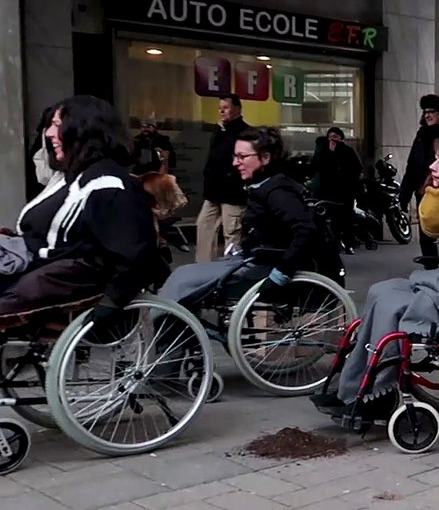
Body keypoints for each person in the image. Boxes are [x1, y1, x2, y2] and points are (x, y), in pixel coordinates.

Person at [314, 135, 439, 413]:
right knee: (379, 292)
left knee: (391, 306)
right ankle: (352, 388)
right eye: (434, 159)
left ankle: (378, 393)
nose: (432, 166)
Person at [0, 95, 159, 337]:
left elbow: (133, 253)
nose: (49, 134)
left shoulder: (108, 184)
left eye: (56, 124)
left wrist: (113, 301)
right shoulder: (72, 176)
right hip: (34, 266)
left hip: (59, 280)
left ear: (83, 130)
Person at [159, 127, 319, 310]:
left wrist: (281, 274)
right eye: (235, 156)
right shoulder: (267, 186)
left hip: (263, 268)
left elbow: (305, 230)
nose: (235, 162)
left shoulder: (278, 193)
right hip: (254, 260)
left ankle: (168, 335)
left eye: (242, 157)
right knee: (184, 276)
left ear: (265, 158)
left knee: (183, 280)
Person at [196, 94, 250, 262]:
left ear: (237, 109)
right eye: (220, 108)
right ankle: (203, 267)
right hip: (213, 190)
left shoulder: (244, 132)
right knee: (204, 225)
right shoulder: (219, 130)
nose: (221, 111)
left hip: (232, 192)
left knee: (231, 231)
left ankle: (231, 267)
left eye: (226, 108)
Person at [402, 94, 439, 263]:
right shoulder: (421, 135)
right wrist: (404, 195)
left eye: (432, 112)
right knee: (426, 233)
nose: (428, 115)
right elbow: (412, 165)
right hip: (422, 192)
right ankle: (430, 269)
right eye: (425, 112)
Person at [308, 127, 363, 251]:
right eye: (330, 136)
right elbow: (318, 166)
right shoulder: (323, 151)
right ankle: (334, 243)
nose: (333, 139)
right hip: (328, 190)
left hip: (345, 191)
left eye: (336, 136)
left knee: (345, 218)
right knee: (330, 218)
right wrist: (330, 152)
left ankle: (349, 243)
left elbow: (357, 168)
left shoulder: (348, 151)